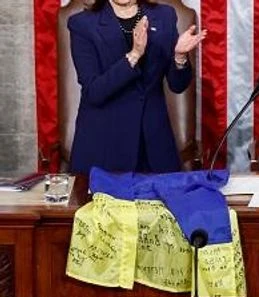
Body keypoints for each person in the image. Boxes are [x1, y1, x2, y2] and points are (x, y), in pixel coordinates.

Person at [68, 0, 206, 175]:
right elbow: (94, 92)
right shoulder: (83, 24)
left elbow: (177, 85)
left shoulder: (164, 16)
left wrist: (179, 57)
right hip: (104, 147)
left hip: (154, 146)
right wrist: (133, 56)